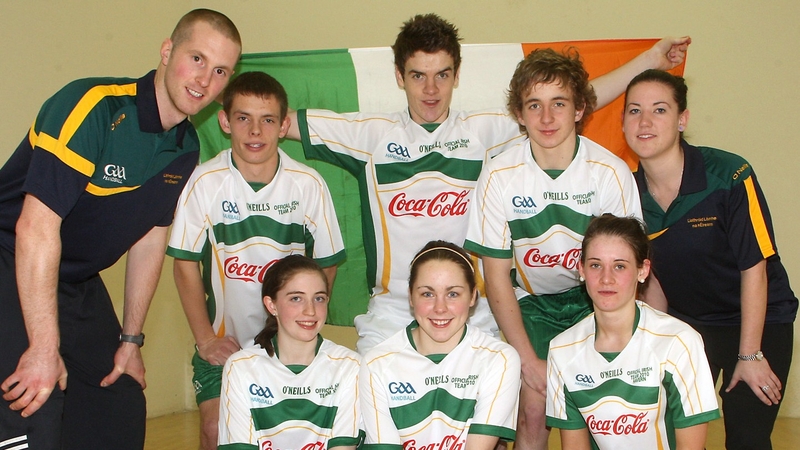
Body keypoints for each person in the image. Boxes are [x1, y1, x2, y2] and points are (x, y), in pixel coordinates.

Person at [285, 13, 689, 355]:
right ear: (398, 76)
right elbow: (269, 120)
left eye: (442, 75)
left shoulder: (486, 131)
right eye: (418, 76)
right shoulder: (369, 135)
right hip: (395, 308)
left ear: (457, 75)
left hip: (474, 307)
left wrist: (650, 59)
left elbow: (569, 102)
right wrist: (223, 80)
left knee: (491, 416)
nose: (430, 89)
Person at [0, 9, 241, 450]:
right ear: (167, 52)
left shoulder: (184, 148)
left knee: (119, 400)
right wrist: (42, 347)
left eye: (221, 70)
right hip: (11, 260)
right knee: (35, 400)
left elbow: (149, 240)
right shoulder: (93, 107)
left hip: (72, 281)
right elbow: (35, 229)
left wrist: (131, 340)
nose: (205, 80)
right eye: (198, 59)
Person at [463, 47, 641, 449]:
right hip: (533, 303)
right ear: (519, 114)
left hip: (596, 301)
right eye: (534, 105)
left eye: (558, 104)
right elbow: (495, 277)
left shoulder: (610, 172)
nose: (546, 118)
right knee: (533, 405)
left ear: (579, 108)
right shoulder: (498, 175)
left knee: (604, 412)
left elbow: (627, 271)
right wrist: (528, 362)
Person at [167, 71, 346, 449]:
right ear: (224, 121)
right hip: (224, 341)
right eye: (243, 118)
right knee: (215, 430)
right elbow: (183, 264)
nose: (254, 131)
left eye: (267, 120)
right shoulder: (204, 182)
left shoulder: (308, 184)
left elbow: (327, 262)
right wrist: (204, 339)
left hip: (288, 342)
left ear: (283, 126)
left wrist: (303, 320)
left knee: (291, 433)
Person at [622, 69, 798, 450]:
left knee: (747, 438)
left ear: (682, 119)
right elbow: (652, 280)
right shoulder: (626, 192)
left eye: (660, 109)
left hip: (759, 321)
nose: (645, 122)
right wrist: (656, 348)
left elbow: (755, 268)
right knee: (672, 434)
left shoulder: (730, 175)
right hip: (691, 325)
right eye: (634, 111)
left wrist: (750, 354)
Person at [545, 214, 720, 449]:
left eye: (619, 266)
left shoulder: (679, 342)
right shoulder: (562, 350)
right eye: (596, 265)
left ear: (642, 270)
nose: (606, 278)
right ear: (582, 270)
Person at [359, 241, 521, 448]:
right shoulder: (376, 364)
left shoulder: (500, 359)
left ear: (472, 296)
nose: (440, 308)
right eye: (428, 294)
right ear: (410, 297)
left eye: (453, 294)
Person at [218, 255, 361, 449]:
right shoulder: (241, 367)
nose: (310, 311)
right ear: (272, 305)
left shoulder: (349, 366)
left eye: (318, 298)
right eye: (296, 298)